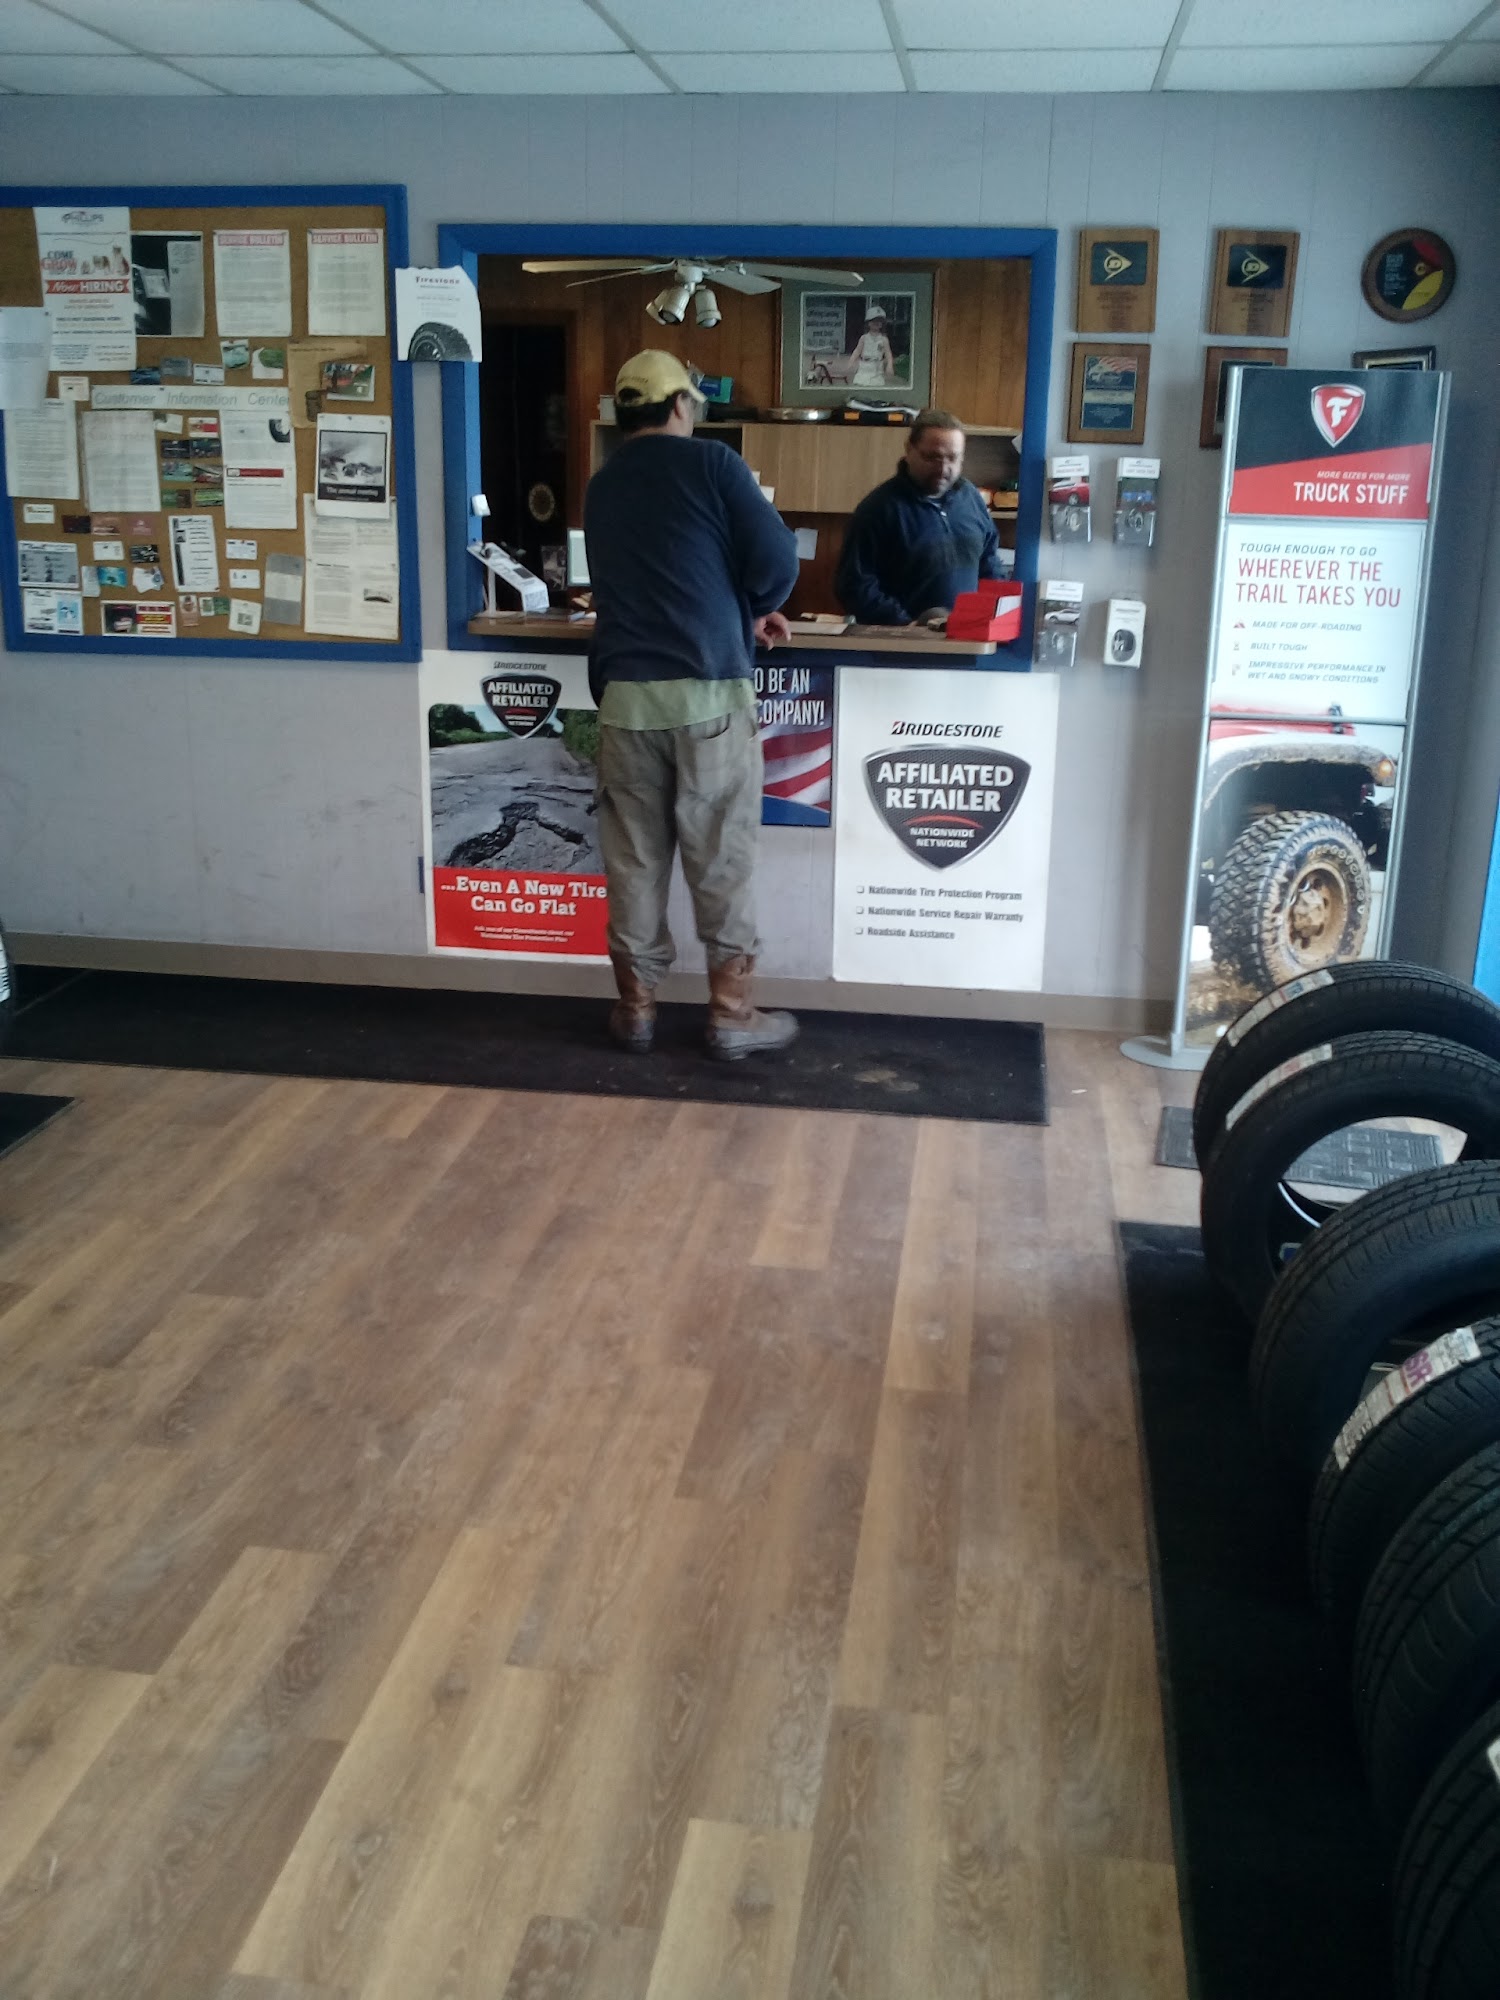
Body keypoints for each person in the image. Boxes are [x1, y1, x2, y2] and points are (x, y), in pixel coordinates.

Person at [584, 349, 802, 1062]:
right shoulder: (713, 463)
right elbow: (776, 561)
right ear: (682, 404)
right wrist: (755, 605)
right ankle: (731, 1016)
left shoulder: (602, 483)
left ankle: (636, 1011)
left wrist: (738, 610)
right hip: (708, 696)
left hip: (624, 701)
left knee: (634, 865)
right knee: (721, 862)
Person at [834, 409, 1003, 628]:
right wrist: (904, 623)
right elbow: (854, 584)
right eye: (932, 457)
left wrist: (994, 611)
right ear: (909, 450)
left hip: (969, 634)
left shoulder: (971, 498)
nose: (943, 469)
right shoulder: (878, 509)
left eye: (952, 458)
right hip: (906, 638)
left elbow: (989, 561)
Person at [846, 305, 895, 387]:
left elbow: (888, 354)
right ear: (868, 323)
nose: (876, 323)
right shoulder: (864, 338)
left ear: (882, 324)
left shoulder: (884, 339)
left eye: (879, 321)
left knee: (876, 387)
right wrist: (851, 361)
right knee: (861, 385)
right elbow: (857, 350)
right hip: (864, 368)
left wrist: (890, 366)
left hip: (877, 368)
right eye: (873, 321)